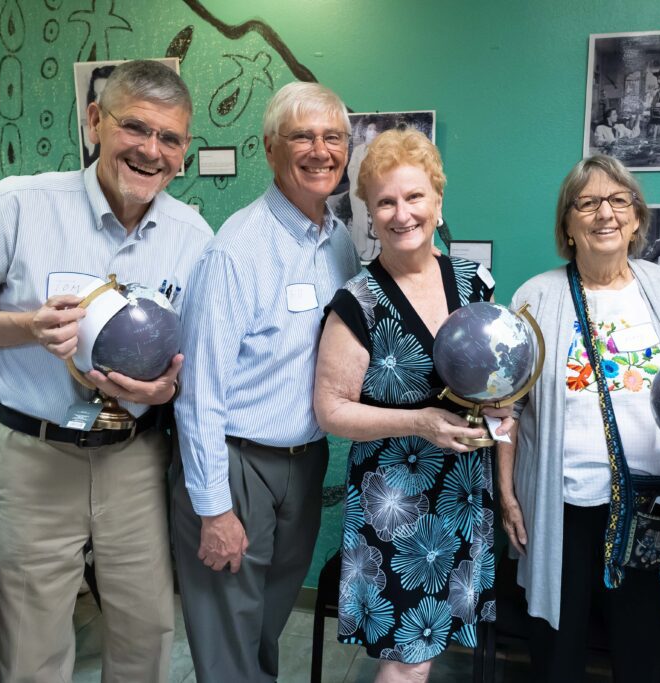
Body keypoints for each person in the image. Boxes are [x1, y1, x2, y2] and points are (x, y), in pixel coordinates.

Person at [0, 60, 210, 682]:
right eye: (136, 127)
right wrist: (24, 325)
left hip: (132, 455)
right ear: (96, 122)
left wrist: (167, 388)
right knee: (32, 645)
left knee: (146, 631)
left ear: (184, 150)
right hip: (32, 454)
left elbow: (193, 356)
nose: (151, 150)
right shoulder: (12, 207)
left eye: (170, 138)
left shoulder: (192, 235)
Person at [172, 81, 361, 683]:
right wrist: (213, 509)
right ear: (269, 148)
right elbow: (199, 391)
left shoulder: (338, 243)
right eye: (300, 136)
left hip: (304, 463)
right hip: (235, 463)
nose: (319, 150)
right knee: (229, 636)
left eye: (333, 137)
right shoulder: (237, 250)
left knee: (267, 625)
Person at [497, 155, 660, 682]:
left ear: (637, 218)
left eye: (618, 201)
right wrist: (507, 492)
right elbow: (509, 406)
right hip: (562, 502)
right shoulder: (536, 296)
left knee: (645, 649)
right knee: (557, 647)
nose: (604, 214)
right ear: (567, 223)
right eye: (586, 203)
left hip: (651, 503)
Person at [314, 128, 507, 681]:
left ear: (438, 201)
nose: (402, 214)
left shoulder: (476, 283)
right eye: (386, 202)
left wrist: (503, 405)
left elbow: (496, 372)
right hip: (396, 503)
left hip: (465, 493)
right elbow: (331, 409)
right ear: (369, 214)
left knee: (429, 650)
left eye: (414, 197)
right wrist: (420, 422)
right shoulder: (359, 300)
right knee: (408, 663)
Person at [348, 116, 382, 260]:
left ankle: (374, 251)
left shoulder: (381, 151)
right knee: (359, 221)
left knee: (373, 221)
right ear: (365, 132)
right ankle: (360, 251)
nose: (372, 132)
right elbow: (351, 169)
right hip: (357, 192)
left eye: (376, 130)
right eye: (370, 129)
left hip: (374, 193)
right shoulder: (358, 150)